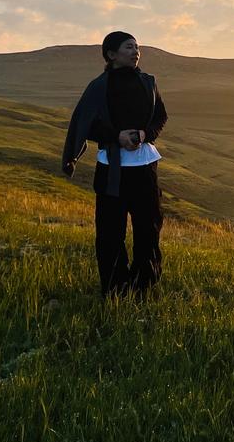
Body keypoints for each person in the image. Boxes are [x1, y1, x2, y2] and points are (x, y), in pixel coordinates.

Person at [61, 32, 169, 298]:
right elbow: (86, 123)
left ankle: (144, 285)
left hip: (145, 167)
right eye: (129, 47)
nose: (136, 51)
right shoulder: (99, 87)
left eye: (137, 47)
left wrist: (145, 134)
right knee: (110, 232)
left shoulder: (148, 82)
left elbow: (160, 117)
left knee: (148, 227)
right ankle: (115, 288)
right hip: (111, 168)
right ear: (111, 54)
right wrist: (116, 137)